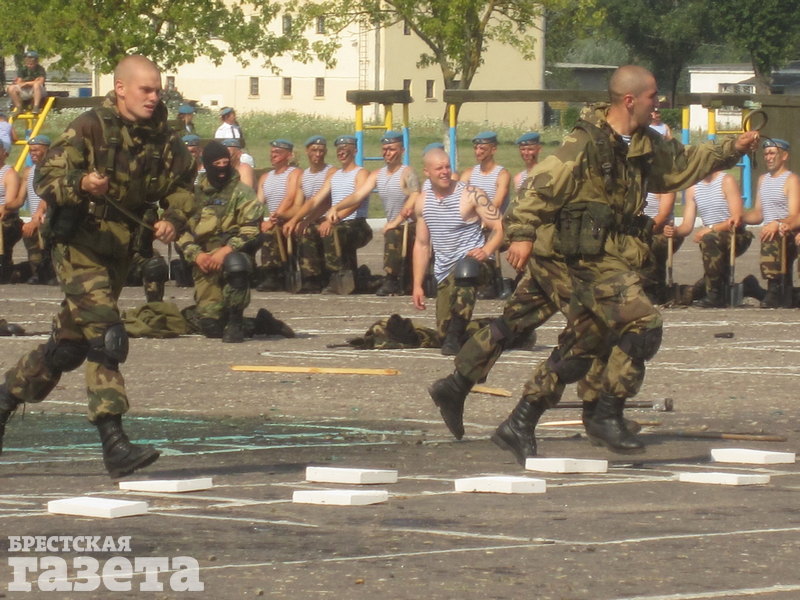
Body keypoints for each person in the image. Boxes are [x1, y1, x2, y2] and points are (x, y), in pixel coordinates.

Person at [492, 65, 759, 463]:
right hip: (584, 257)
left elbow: (680, 165)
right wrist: (523, 233)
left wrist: (731, 149)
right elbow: (540, 187)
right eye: (653, 97)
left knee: (587, 342)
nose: (659, 104)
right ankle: (607, 413)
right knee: (643, 323)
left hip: (613, 254)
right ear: (630, 100)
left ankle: (520, 420)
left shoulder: (643, 142)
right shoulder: (585, 144)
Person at [0, 55, 197, 478]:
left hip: (121, 252)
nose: (153, 96)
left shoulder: (165, 138)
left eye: (157, 89)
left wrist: (173, 219)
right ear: (121, 88)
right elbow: (44, 178)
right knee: (107, 337)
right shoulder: (90, 127)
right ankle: (114, 442)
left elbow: (183, 186)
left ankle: (4, 398)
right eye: (145, 89)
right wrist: (81, 183)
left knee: (68, 347)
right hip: (79, 246)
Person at [177, 140, 293, 342]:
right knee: (211, 327)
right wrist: (197, 255)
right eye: (217, 164)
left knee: (236, 263)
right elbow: (181, 229)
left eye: (225, 163)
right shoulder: (195, 193)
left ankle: (236, 321)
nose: (221, 169)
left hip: (232, 255)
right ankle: (261, 324)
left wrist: (226, 250)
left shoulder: (242, 192)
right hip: (205, 261)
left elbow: (251, 229)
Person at [412, 148, 503, 355]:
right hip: (446, 271)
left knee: (466, 269)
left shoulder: (471, 194)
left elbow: (500, 227)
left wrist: (486, 249)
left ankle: (454, 337)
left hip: (475, 265)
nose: (444, 172)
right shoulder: (422, 202)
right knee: (444, 332)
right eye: (439, 168)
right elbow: (422, 245)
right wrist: (417, 285)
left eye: (447, 167)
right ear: (427, 172)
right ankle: (502, 328)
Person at [328, 131, 419, 296]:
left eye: (391, 149)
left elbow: (414, 196)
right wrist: (337, 207)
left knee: (392, 233)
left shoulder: (407, 172)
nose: (387, 153)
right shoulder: (378, 174)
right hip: (396, 225)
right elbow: (358, 195)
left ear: (402, 151)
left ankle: (391, 279)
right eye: (384, 149)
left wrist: (396, 221)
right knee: (392, 232)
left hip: (412, 225)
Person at [284, 135, 371, 295]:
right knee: (307, 230)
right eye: (339, 150)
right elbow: (315, 201)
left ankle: (335, 276)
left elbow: (356, 202)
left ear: (355, 151)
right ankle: (312, 278)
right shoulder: (335, 176)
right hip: (337, 221)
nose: (342, 153)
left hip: (357, 224)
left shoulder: (361, 173)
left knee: (333, 231)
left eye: (346, 150)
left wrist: (333, 220)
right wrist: (298, 220)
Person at [676, 170, 754, 307]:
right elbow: (687, 226)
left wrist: (711, 228)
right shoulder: (693, 188)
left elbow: (737, 219)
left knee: (709, 239)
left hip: (736, 235)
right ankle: (746, 288)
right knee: (711, 244)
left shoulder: (726, 181)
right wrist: (673, 231)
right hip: (713, 237)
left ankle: (714, 294)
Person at [743, 139, 800, 308]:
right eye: (766, 154)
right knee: (769, 232)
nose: (768, 157)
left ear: (784, 156)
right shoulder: (763, 180)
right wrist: (740, 216)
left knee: (772, 234)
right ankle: (775, 290)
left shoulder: (791, 180)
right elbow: (759, 214)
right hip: (772, 231)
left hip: (788, 230)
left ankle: (772, 290)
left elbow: (794, 215)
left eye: (772, 153)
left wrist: (777, 223)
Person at [460, 131, 510, 299]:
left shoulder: (502, 174)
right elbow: (459, 199)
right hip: (474, 225)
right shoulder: (468, 174)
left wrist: (482, 220)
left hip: (497, 227)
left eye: (482, 148)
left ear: (493, 149)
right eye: (476, 148)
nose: (478, 151)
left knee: (486, 235)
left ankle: (488, 282)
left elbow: (496, 203)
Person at [285, 135, 336, 293]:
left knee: (306, 230)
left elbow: (321, 202)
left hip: (327, 217)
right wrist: (282, 218)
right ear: (307, 151)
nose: (318, 154)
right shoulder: (303, 175)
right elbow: (299, 205)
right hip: (309, 217)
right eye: (314, 150)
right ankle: (285, 273)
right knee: (288, 228)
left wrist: (299, 220)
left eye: (321, 150)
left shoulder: (331, 171)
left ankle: (313, 278)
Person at [255, 139, 301, 291]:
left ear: (288, 155)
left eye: (278, 153)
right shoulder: (265, 177)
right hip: (274, 219)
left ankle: (273, 275)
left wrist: (274, 219)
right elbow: (258, 204)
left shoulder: (294, 173)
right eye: (272, 152)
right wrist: (259, 220)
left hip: (289, 217)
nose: (273, 155)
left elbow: (290, 197)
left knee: (271, 232)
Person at [18, 135, 56, 284]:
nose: (32, 153)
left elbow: (48, 196)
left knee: (43, 231)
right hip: (36, 216)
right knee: (26, 230)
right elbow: (19, 200)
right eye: (30, 150)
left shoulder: (52, 170)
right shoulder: (29, 171)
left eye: (36, 150)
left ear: (47, 150)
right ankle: (38, 271)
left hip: (50, 216)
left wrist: (36, 217)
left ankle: (51, 272)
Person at [640, 191, 681, 304]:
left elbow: (663, 215)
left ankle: (652, 291)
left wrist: (643, 232)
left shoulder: (665, 187)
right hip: (642, 232)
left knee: (648, 247)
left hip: (664, 233)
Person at [0, 142, 23, 282]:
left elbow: (9, 204)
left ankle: (13, 271)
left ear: (4, 153)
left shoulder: (9, 174)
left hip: (7, 219)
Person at [8, 50, 46, 115]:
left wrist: (27, 83)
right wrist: (32, 82)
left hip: (37, 90)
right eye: (27, 63)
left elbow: (40, 82)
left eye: (31, 64)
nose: (29, 65)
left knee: (36, 85)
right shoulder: (22, 69)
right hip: (25, 90)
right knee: (11, 88)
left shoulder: (40, 69)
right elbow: (19, 82)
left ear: (36, 62)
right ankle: (19, 107)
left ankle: (36, 107)